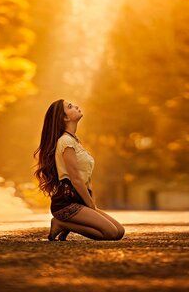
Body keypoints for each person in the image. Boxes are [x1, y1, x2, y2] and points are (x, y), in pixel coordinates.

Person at [33, 99, 125, 241]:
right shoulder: (65, 142)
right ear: (65, 117)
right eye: (70, 107)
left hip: (79, 200)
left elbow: (85, 177)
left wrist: (90, 201)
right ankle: (61, 223)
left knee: (119, 231)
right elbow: (75, 178)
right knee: (111, 234)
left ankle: (65, 224)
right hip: (67, 202)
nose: (76, 106)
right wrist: (91, 205)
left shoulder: (74, 140)